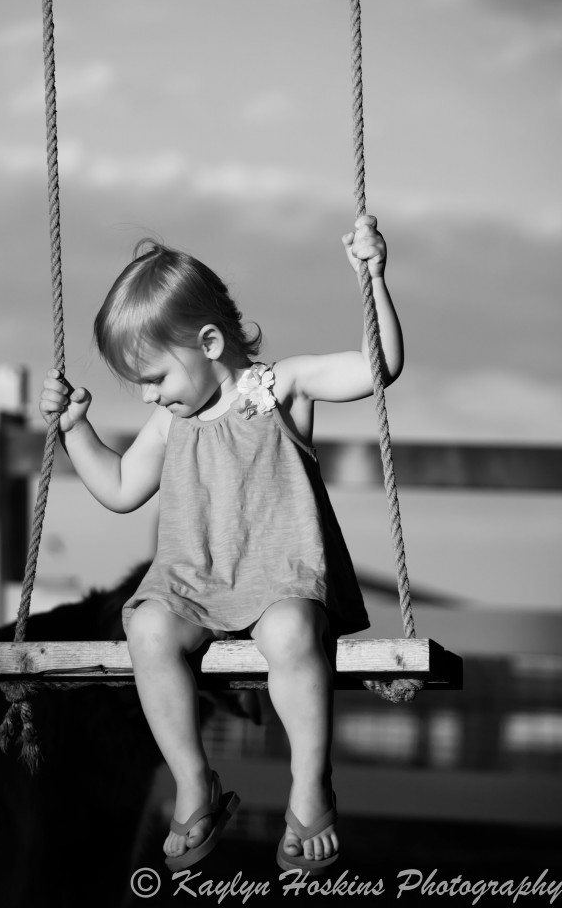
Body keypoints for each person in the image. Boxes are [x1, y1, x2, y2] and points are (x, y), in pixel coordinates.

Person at [39, 215, 403, 875]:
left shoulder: (279, 388)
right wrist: (75, 431)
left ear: (209, 342)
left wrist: (372, 279)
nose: (150, 396)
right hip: (194, 582)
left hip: (280, 578)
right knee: (147, 629)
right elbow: (120, 487)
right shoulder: (168, 422)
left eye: (155, 378)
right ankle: (193, 782)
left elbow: (379, 369)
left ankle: (309, 783)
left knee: (292, 633)